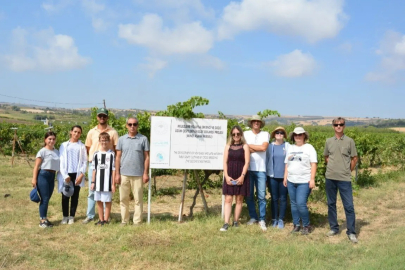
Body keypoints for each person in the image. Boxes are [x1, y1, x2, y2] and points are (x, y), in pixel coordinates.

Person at [324, 117, 359, 243]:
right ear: (333, 126)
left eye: (341, 124)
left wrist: (347, 170)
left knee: (348, 206)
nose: (338, 126)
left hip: (344, 179)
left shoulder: (349, 141)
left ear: (344, 126)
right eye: (336, 125)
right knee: (331, 204)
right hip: (330, 178)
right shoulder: (328, 141)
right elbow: (327, 157)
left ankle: (351, 232)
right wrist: (333, 167)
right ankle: (334, 228)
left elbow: (354, 158)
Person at [82, 108, 119, 224]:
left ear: (107, 117)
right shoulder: (91, 132)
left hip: (109, 163)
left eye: (104, 116)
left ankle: (104, 218)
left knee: (106, 191)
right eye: (100, 116)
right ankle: (91, 215)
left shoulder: (113, 132)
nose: (102, 118)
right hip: (94, 163)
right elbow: (88, 148)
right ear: (97, 117)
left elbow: (117, 149)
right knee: (93, 191)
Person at [115, 117, 150, 226]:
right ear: (126, 126)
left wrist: (145, 173)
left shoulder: (143, 139)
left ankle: (137, 221)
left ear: (138, 125)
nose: (132, 126)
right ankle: (124, 220)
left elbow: (147, 157)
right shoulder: (121, 139)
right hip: (124, 174)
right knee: (123, 199)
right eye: (130, 124)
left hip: (138, 174)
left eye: (134, 124)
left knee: (138, 200)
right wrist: (117, 173)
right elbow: (118, 157)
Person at [283, 127, 317, 235]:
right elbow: (287, 164)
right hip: (291, 180)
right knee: (293, 204)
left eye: (300, 134)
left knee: (301, 203)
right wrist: (285, 177)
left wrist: (312, 179)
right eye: (296, 135)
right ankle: (296, 225)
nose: (298, 136)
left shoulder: (309, 148)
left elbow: (313, 164)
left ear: (304, 136)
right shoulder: (290, 147)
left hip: (304, 181)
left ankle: (307, 225)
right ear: (293, 136)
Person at [220, 126, 250, 231]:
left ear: (241, 134)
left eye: (238, 134)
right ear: (231, 135)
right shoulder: (228, 146)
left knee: (239, 199)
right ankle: (226, 223)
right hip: (230, 174)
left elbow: (247, 162)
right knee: (228, 199)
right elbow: (224, 162)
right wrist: (226, 176)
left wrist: (242, 176)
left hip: (241, 175)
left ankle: (236, 221)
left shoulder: (245, 146)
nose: (236, 136)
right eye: (234, 134)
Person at [244, 115, 270, 231]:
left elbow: (264, 148)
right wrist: (256, 148)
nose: (256, 123)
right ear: (251, 123)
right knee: (249, 195)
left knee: (261, 196)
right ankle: (253, 217)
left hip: (261, 169)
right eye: (254, 121)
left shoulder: (265, 134)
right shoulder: (245, 134)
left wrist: (249, 147)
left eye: (258, 121)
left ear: (261, 123)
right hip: (248, 168)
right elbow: (243, 148)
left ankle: (262, 219)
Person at [57, 125, 87, 225]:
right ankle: (65, 216)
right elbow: (61, 161)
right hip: (66, 174)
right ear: (71, 132)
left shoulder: (81, 146)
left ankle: (72, 216)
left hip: (77, 174)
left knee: (75, 196)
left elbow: (84, 161)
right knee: (65, 195)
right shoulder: (64, 145)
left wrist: (81, 175)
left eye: (78, 132)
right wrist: (65, 175)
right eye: (75, 131)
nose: (76, 134)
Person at [32, 131, 60, 228]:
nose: (51, 141)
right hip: (43, 175)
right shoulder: (42, 151)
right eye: (49, 139)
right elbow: (36, 166)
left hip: (52, 176)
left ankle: (45, 218)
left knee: (47, 198)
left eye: (53, 139)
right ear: (45, 140)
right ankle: (42, 220)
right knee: (45, 198)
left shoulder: (56, 152)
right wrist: (34, 179)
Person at [266, 126, 290, 229]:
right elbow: (267, 160)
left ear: (284, 135)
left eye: (281, 133)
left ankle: (281, 219)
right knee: (274, 199)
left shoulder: (288, 146)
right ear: (274, 135)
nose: (279, 134)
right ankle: (274, 219)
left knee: (283, 198)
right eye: (277, 133)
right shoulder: (270, 146)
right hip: (272, 176)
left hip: (284, 177)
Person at [91, 132, 116, 226]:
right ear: (99, 141)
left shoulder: (112, 154)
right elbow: (94, 169)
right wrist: (93, 182)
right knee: (99, 201)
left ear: (109, 141)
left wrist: (113, 184)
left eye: (106, 140)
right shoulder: (96, 154)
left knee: (108, 201)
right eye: (102, 140)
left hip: (107, 182)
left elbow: (113, 170)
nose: (104, 142)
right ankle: (101, 219)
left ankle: (106, 220)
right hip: (98, 182)